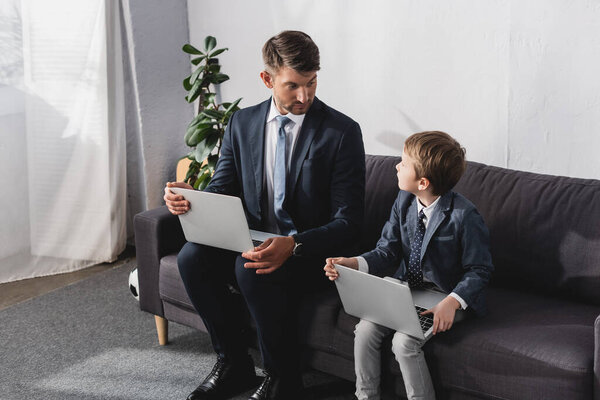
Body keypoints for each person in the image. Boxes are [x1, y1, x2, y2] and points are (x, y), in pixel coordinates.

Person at [164, 31, 365, 400]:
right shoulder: (242, 123)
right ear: (267, 79)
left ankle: (282, 377)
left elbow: (350, 222)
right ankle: (233, 363)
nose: (305, 96)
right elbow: (222, 188)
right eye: (293, 86)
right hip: (254, 238)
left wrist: (295, 244)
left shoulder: (341, 133)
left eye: (312, 83)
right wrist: (192, 199)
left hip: (310, 250)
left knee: (249, 268)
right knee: (192, 258)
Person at [324, 131, 493, 400]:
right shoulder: (403, 201)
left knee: (403, 343)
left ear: (423, 182)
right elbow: (387, 250)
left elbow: (479, 269)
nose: (396, 166)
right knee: (365, 330)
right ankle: (366, 396)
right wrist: (353, 263)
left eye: (403, 163)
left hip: (446, 296)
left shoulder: (464, 215)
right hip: (405, 289)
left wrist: (452, 301)